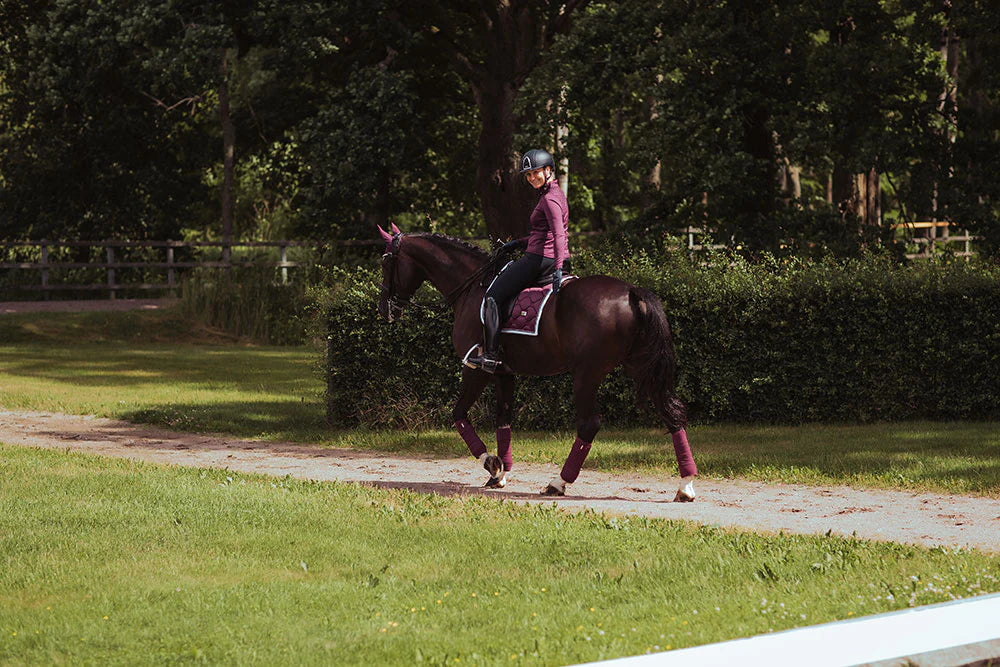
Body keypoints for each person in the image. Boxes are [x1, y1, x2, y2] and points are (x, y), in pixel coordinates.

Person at [466, 148, 570, 373]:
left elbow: (559, 233)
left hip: (541, 260)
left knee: (493, 295)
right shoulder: (554, 194)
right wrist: (518, 243)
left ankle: (491, 356)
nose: (532, 178)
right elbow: (543, 233)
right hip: (543, 254)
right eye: (529, 174)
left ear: (549, 170)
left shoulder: (550, 199)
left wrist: (560, 267)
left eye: (536, 173)